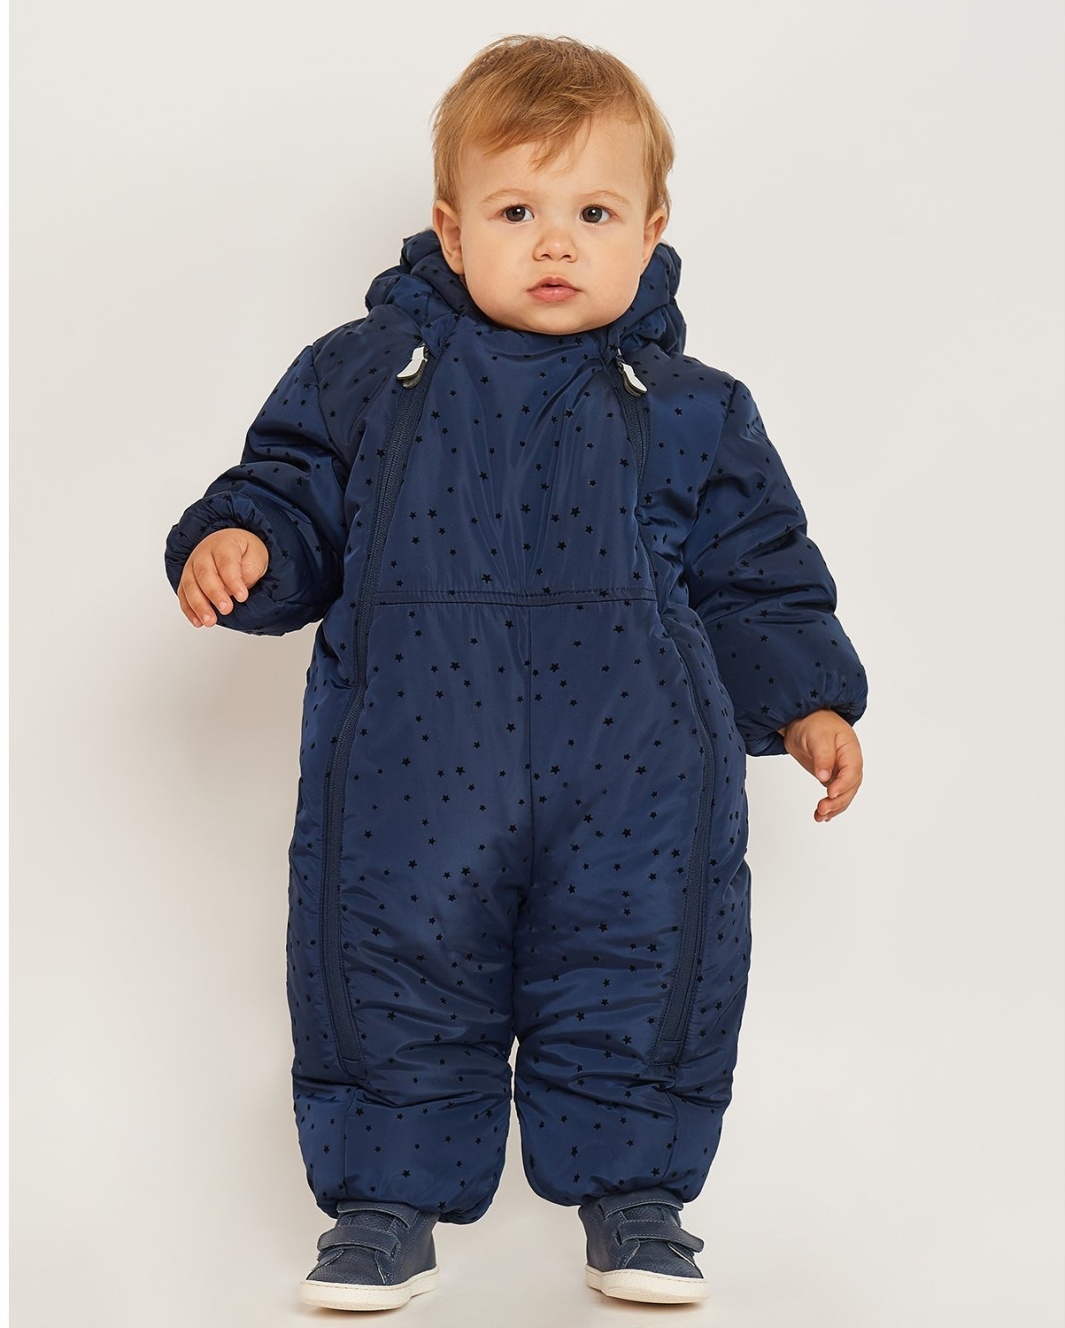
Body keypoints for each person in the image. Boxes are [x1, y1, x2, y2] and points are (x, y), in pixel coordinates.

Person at [165, 34, 867, 1313]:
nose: (556, 243)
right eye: (516, 212)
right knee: (388, 959)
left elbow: (756, 571)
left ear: (651, 230)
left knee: (645, 963)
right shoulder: (367, 377)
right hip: (413, 758)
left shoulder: (696, 405)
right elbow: (290, 491)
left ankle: (637, 1199)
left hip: (638, 769)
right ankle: (382, 1207)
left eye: (593, 213)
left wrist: (806, 699)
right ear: (450, 228)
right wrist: (242, 543)